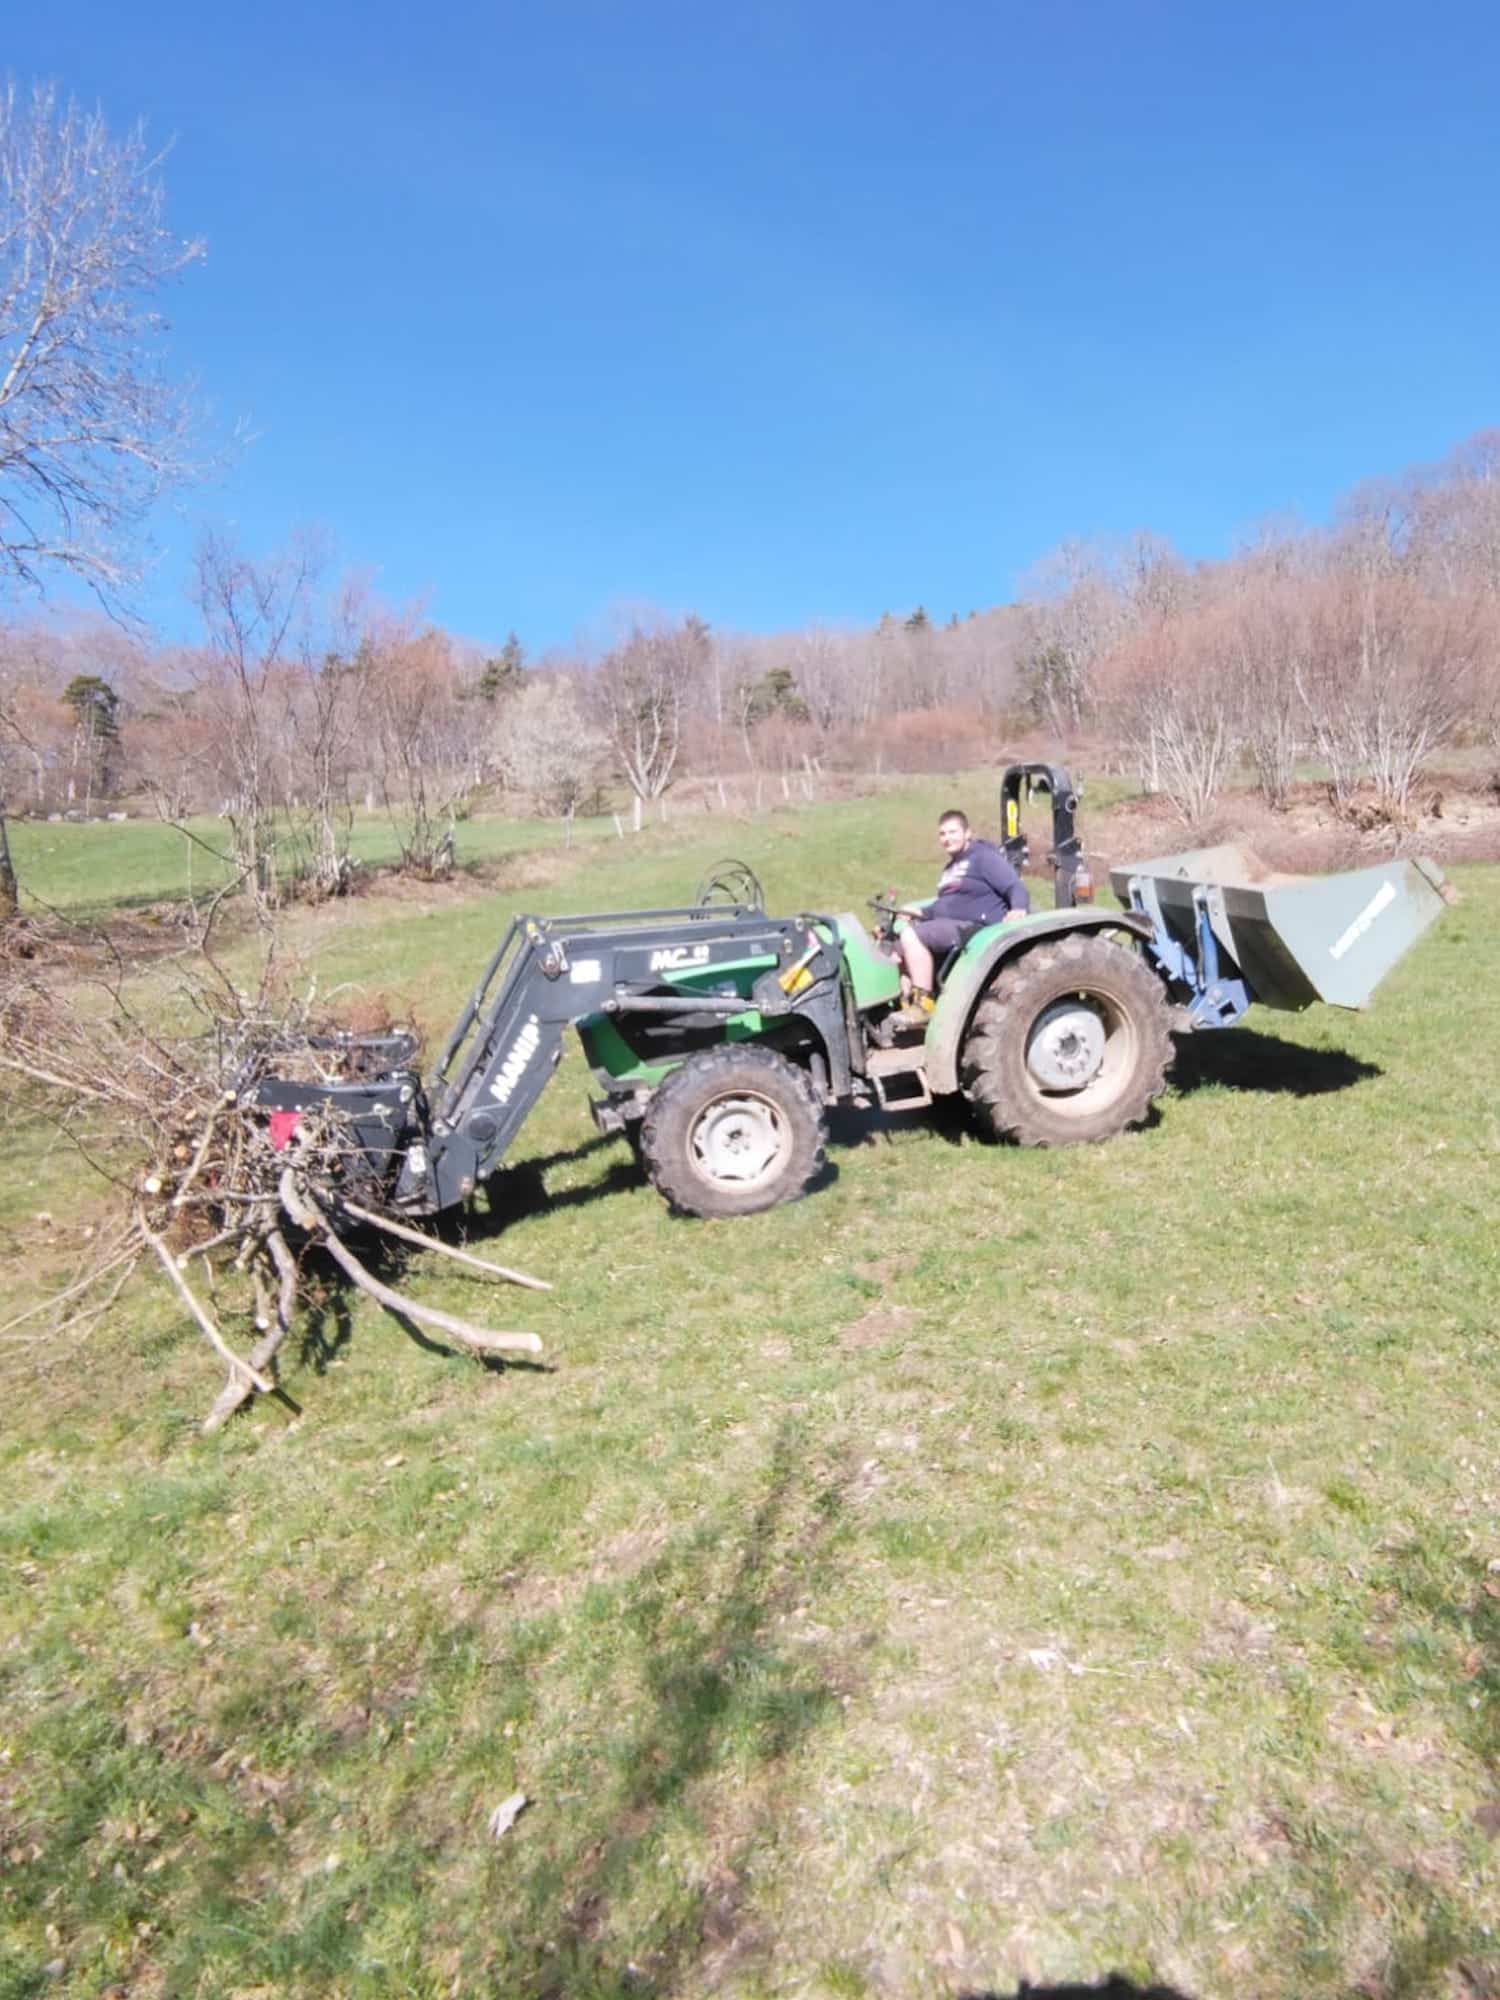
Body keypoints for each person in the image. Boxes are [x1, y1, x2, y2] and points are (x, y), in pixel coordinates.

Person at [892, 807, 1029, 1023]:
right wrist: (918, 912)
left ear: (967, 833)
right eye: (943, 834)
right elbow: (945, 905)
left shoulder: (982, 857)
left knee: (912, 936)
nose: (947, 838)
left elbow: (1014, 886)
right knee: (896, 949)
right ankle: (905, 1001)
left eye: (953, 832)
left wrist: (1018, 908)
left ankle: (924, 1005)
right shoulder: (950, 869)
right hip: (950, 924)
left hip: (975, 928)